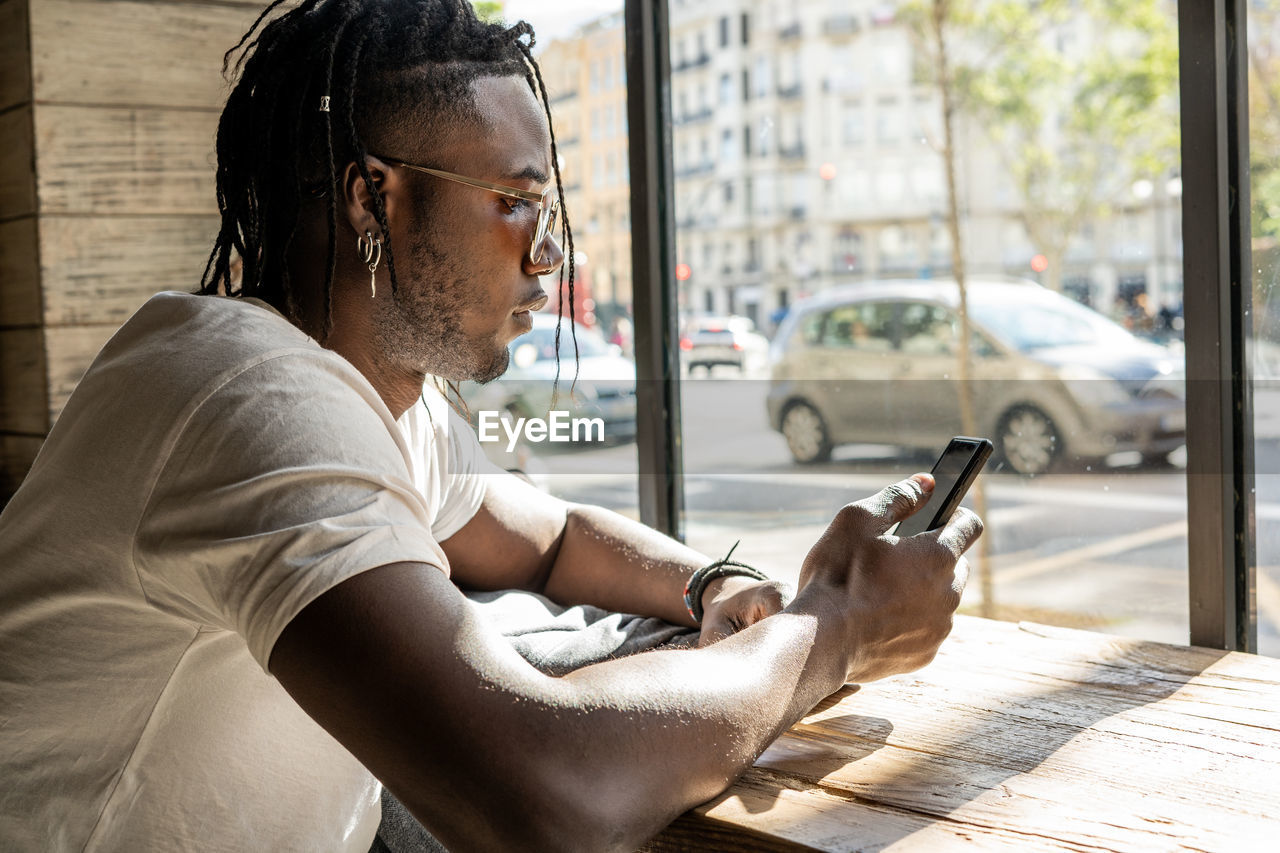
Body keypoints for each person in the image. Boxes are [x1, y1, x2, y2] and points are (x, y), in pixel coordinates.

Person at [0, 1, 982, 851]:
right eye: (516, 203)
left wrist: (715, 583)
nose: (548, 256)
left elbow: (546, 536)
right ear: (370, 196)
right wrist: (838, 627)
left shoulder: (377, 395)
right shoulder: (246, 397)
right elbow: (546, 803)